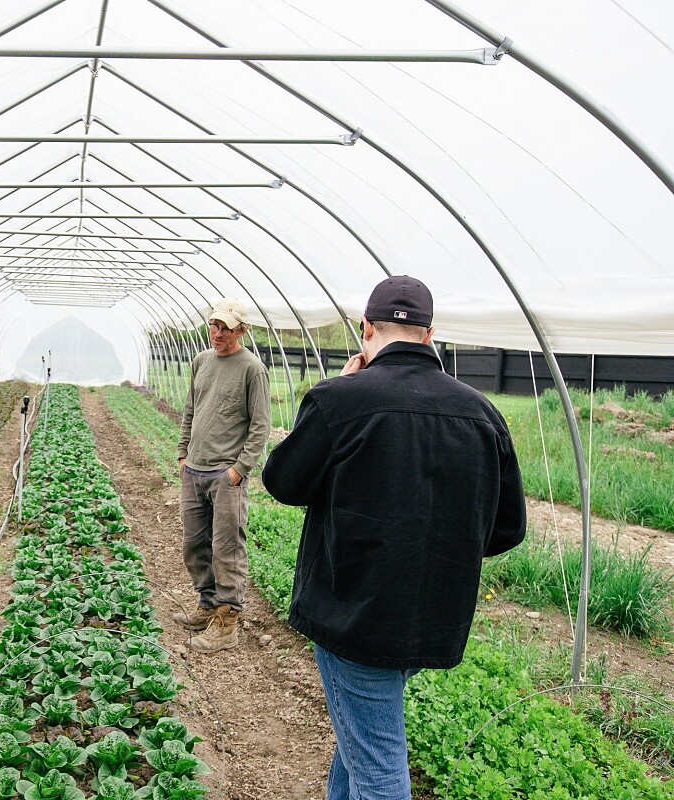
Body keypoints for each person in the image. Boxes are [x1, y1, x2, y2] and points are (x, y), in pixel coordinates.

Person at [261, 276, 526, 800]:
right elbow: (506, 528)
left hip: (354, 615)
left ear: (366, 329)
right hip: (431, 619)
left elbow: (283, 482)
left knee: (379, 768)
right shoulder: (482, 413)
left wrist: (332, 393)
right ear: (430, 334)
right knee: (359, 737)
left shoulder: (340, 400)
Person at [175, 298, 272, 652]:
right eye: (214, 326)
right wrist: (183, 453)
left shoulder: (252, 369)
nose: (217, 333)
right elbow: (191, 409)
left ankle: (227, 622)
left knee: (226, 549)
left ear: (241, 331)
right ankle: (207, 605)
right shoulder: (201, 361)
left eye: (226, 328)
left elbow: (261, 427)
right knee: (193, 546)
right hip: (194, 470)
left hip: (224, 475)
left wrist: (238, 470)